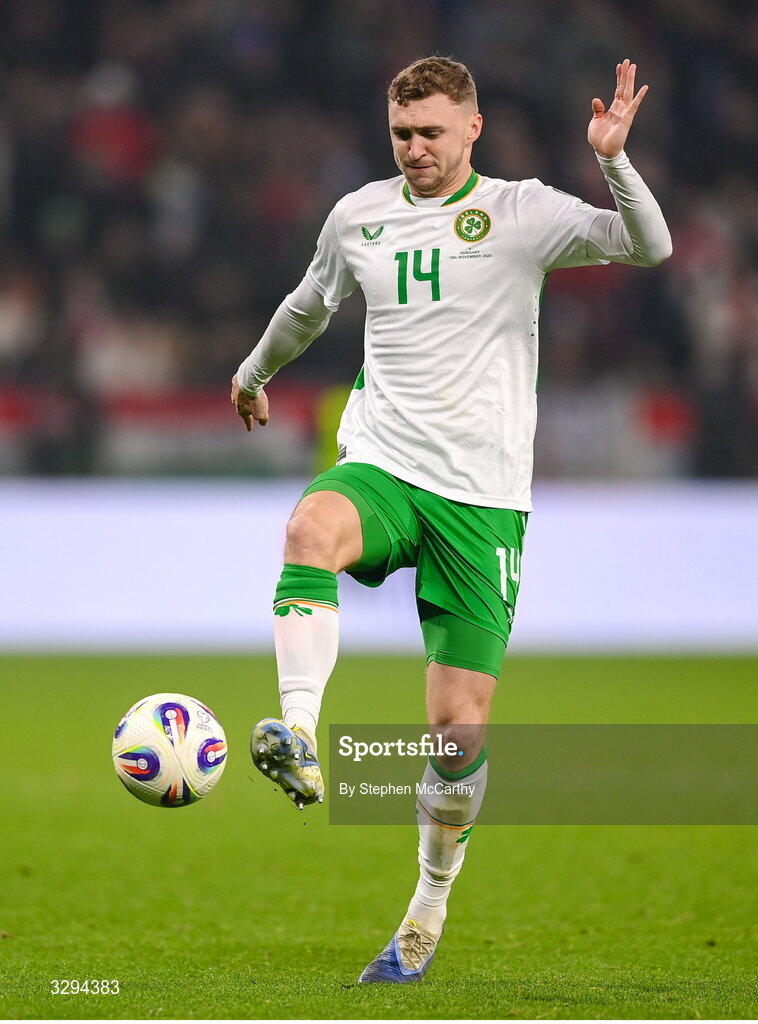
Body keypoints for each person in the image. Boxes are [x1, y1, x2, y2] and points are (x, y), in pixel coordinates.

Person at [230, 56, 671, 983]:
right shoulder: (358, 216)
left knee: (456, 735)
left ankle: (428, 902)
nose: (417, 150)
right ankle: (300, 739)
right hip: (385, 465)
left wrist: (615, 162)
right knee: (311, 528)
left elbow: (648, 247)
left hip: (484, 500)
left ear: (473, 128)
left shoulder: (525, 212)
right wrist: (255, 371)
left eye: (433, 132)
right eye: (402, 135)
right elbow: (310, 305)